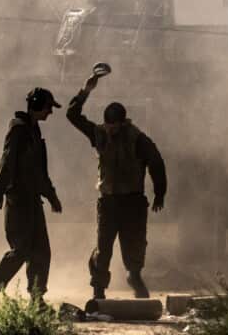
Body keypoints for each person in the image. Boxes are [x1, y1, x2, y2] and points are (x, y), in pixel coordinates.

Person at [66, 68, 167, 300]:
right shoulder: (99, 134)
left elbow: (156, 162)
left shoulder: (137, 139)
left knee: (135, 245)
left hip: (133, 201)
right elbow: (72, 116)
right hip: (109, 201)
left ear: (122, 123)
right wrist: (85, 90)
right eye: (107, 124)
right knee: (104, 248)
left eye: (114, 125)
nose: (110, 129)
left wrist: (160, 192)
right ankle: (99, 288)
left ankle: (134, 276)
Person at [0, 87, 64, 309]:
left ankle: (36, 300)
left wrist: (51, 196)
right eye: (48, 107)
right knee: (21, 250)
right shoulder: (19, 130)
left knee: (41, 250)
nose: (50, 112)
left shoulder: (33, 131)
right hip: (19, 200)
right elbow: (7, 160)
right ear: (36, 104)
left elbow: (40, 171)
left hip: (33, 200)